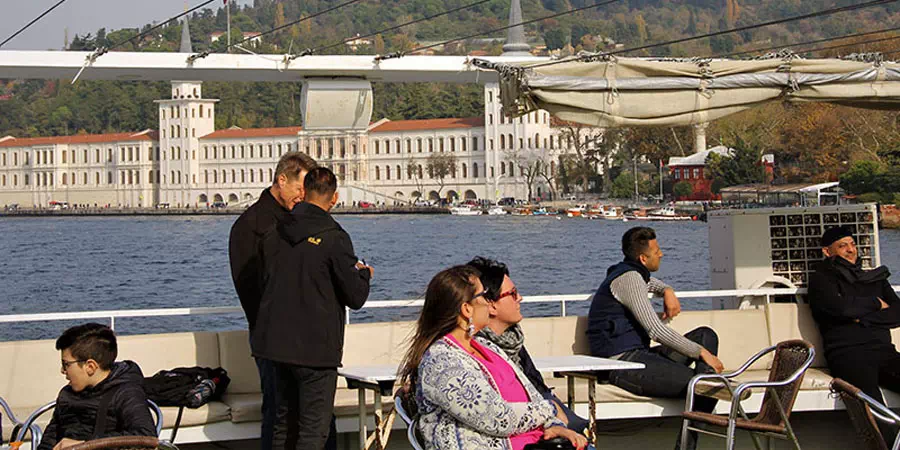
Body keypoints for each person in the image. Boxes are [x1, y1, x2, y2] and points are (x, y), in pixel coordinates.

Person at [399, 265, 588, 450]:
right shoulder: (441, 363)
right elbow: (497, 417)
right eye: (483, 296)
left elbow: (532, 395)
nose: (489, 302)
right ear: (467, 309)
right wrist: (551, 409)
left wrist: (555, 426)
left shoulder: (488, 347)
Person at [253, 167, 372, 450]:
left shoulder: (273, 232)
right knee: (312, 431)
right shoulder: (334, 237)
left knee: (281, 425)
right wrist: (364, 275)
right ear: (334, 199)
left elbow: (265, 279)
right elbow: (354, 297)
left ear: (303, 193)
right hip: (315, 350)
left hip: (274, 345)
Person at [586, 226, 723, 450]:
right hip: (622, 363)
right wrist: (701, 353)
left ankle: (702, 386)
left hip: (640, 355)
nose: (661, 254)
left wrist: (667, 290)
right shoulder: (628, 279)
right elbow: (655, 331)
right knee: (706, 387)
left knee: (706, 335)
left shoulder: (629, 273)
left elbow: (648, 283)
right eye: (657, 250)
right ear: (642, 257)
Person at [228, 151, 317, 450]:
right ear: (281, 180)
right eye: (299, 189)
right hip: (272, 337)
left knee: (313, 417)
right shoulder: (249, 225)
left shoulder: (300, 219)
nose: (303, 196)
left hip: (305, 336)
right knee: (280, 415)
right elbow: (249, 288)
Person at [467, 256, 590, 435]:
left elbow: (538, 387)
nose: (520, 298)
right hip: (526, 423)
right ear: (491, 305)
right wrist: (551, 412)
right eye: (513, 294)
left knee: (584, 430)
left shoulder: (512, 340)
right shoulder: (476, 350)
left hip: (542, 409)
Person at [808, 226, 900, 440]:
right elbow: (842, 309)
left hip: (883, 352)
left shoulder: (875, 278)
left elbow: (897, 314)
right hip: (848, 355)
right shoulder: (821, 280)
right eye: (842, 246)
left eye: (852, 244)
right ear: (827, 252)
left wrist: (862, 319)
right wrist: (876, 303)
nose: (850, 250)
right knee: (872, 406)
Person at [38, 323, 156, 450]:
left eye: (66, 364)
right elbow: (50, 438)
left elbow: (146, 439)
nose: (62, 370)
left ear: (90, 367)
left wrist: (85, 445)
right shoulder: (67, 394)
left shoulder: (125, 393)